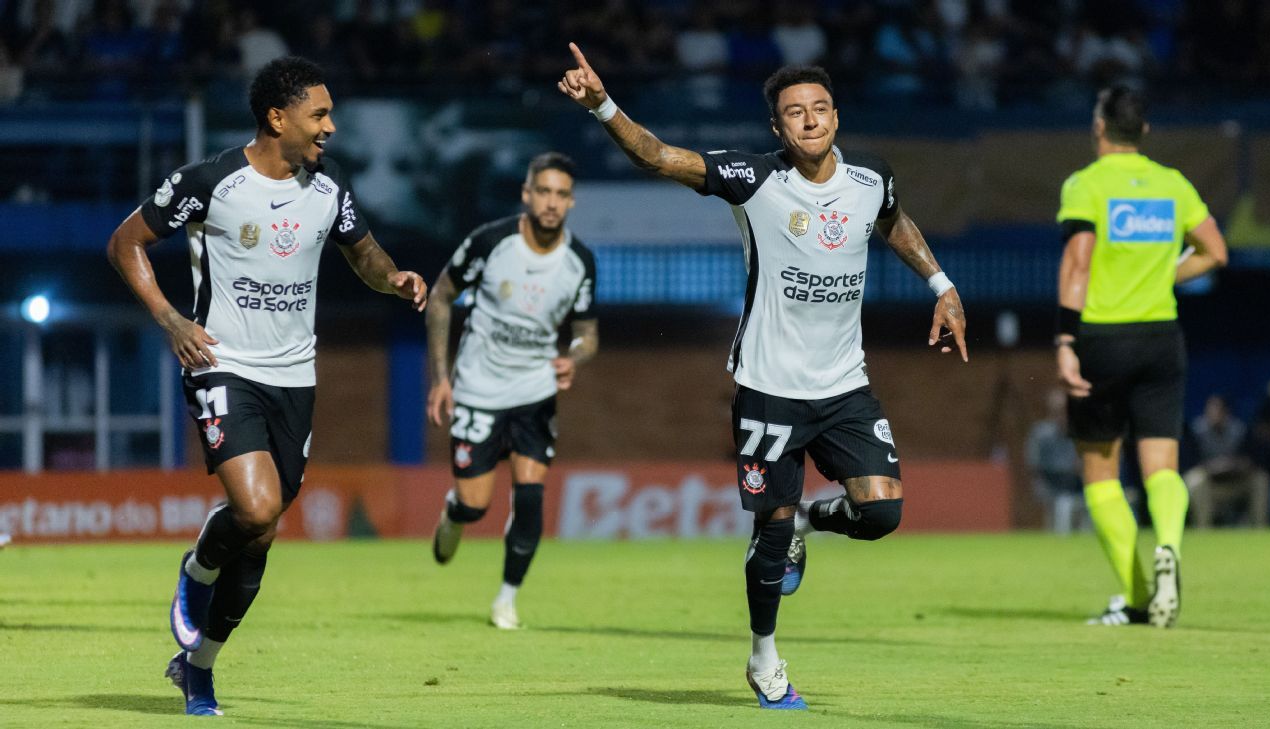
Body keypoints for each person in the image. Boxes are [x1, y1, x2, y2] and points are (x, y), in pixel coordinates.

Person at [558, 43, 968, 710]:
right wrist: (603, 104)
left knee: (881, 511)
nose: (810, 120)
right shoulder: (753, 178)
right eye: (794, 113)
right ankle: (764, 657)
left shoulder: (871, 179)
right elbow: (658, 156)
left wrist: (941, 284)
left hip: (844, 385)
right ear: (777, 127)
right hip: (769, 387)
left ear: (836, 116)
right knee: (769, 531)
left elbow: (894, 222)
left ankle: (810, 517)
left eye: (819, 108)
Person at [107, 56, 426, 716]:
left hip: (295, 375)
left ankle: (198, 667)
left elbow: (364, 254)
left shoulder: (329, 185)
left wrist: (394, 278)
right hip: (222, 363)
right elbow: (125, 243)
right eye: (320, 114)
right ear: (278, 118)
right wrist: (171, 319)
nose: (331, 127)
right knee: (255, 508)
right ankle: (198, 569)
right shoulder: (210, 182)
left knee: (263, 529)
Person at [1055, 85, 1228, 628]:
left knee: (1101, 472)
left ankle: (1136, 596)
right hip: (1160, 338)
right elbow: (1215, 252)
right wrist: (1160, 275)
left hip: (1102, 339)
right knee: (1162, 468)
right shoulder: (1173, 184)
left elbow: (1078, 264)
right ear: (1145, 130)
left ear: (1099, 126)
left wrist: (1064, 341)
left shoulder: (1086, 185)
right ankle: (1169, 544)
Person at [425, 151, 598, 630]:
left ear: (571, 202)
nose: (551, 202)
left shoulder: (580, 261)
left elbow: (587, 333)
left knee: (531, 495)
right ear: (526, 194)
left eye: (561, 194)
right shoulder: (490, 242)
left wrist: (574, 356)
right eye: (543, 191)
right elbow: (440, 297)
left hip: (534, 390)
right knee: (475, 505)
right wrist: (441, 379)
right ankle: (455, 514)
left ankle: (506, 599)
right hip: (478, 388)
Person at [1184, 394, 1270, 528]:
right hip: (1209, 484)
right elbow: (1190, 463)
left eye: (1219, 410)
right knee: (1195, 479)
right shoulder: (1196, 430)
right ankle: (1203, 528)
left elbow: (1252, 461)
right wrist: (1214, 466)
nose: (1215, 414)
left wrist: (1234, 465)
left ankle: (1260, 528)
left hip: (1235, 482)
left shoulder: (1239, 430)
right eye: (1211, 410)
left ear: (1227, 412)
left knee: (1261, 479)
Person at [1026, 388, 1085, 535]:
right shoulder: (1041, 433)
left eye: (1064, 410)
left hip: (1076, 484)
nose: (1061, 414)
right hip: (1051, 484)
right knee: (1062, 504)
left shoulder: (1080, 432)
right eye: (1057, 410)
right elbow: (1034, 464)